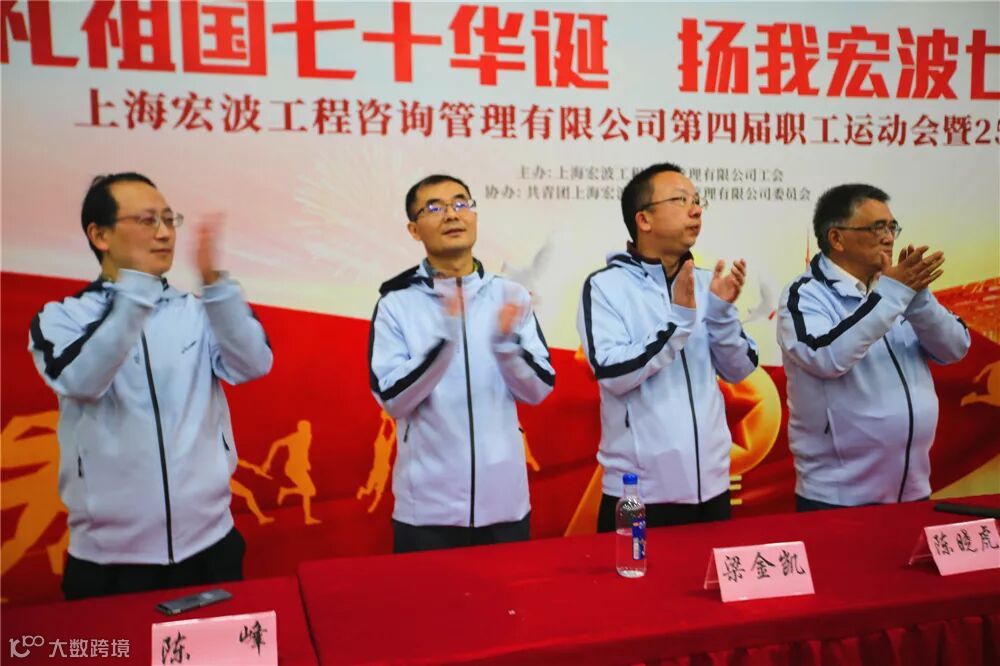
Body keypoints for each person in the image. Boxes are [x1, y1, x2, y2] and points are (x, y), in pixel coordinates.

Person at [29, 173, 273, 599]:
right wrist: (135, 294)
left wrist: (217, 288)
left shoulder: (196, 311)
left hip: (211, 545)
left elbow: (254, 363)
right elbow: (82, 380)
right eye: (146, 220)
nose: (164, 233)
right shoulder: (62, 318)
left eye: (169, 219)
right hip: (110, 561)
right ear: (100, 235)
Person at [368, 174, 555, 553]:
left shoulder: (510, 295)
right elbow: (393, 399)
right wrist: (445, 340)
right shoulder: (396, 304)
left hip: (505, 506)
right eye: (434, 208)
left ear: (474, 215)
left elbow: (539, 390)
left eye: (460, 203)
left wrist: (506, 346)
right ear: (414, 229)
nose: (452, 214)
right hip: (426, 512)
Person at [577, 162, 759, 531]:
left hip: (713, 487)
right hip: (638, 492)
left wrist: (721, 313)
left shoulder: (708, 283)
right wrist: (678, 323)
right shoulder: (606, 286)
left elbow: (739, 369)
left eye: (697, 201)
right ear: (643, 219)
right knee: (631, 570)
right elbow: (612, 374)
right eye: (680, 200)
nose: (696, 210)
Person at [777, 183, 970, 510]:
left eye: (892, 227)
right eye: (877, 228)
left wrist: (917, 299)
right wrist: (894, 295)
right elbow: (824, 357)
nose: (889, 238)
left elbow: (955, 348)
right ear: (837, 238)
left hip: (914, 489)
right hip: (838, 498)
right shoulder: (805, 295)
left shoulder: (895, 290)